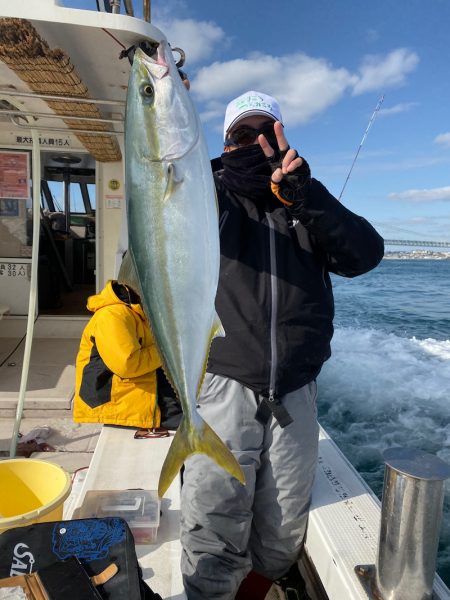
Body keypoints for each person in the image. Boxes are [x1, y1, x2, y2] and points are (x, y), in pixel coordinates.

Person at [180, 91, 385, 600]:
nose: (255, 142)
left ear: (283, 135)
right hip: (225, 381)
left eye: (266, 131)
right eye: (242, 134)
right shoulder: (208, 197)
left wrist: (305, 194)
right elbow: (170, 203)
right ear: (226, 144)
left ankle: (252, 593)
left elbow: (364, 254)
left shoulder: (303, 199)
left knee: (283, 528)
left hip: (295, 390)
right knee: (214, 517)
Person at [73, 279, 162, 429]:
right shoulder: (113, 316)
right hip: (124, 405)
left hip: (140, 397)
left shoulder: (137, 311)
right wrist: (167, 352)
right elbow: (128, 364)